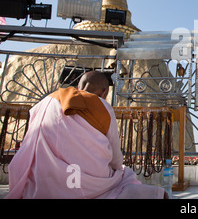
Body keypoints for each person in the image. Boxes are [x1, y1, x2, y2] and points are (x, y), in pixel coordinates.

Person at [6, 71, 166, 199]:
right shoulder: (101, 106)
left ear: (78, 85)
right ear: (104, 92)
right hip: (82, 185)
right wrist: (117, 169)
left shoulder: (45, 102)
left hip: (37, 184)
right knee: (126, 176)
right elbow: (116, 160)